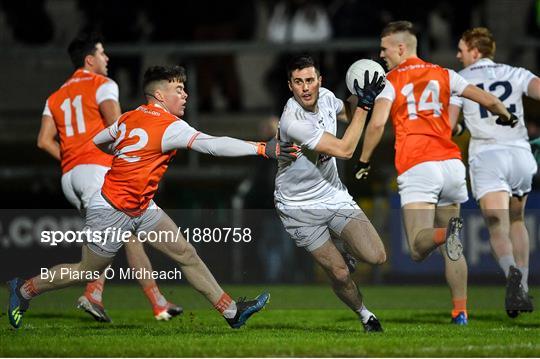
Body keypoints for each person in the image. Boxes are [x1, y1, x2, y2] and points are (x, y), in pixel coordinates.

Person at [7, 64, 297, 330]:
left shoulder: (130, 117)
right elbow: (212, 146)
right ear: (159, 94)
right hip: (111, 209)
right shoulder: (168, 125)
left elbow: (98, 141)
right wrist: (262, 148)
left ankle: (232, 312)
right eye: (178, 89)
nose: (185, 94)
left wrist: (122, 156)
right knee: (86, 271)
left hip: (141, 207)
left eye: (184, 88)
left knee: (186, 253)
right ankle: (23, 289)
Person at [355, 21, 518, 325]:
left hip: (419, 165)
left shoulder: (390, 80)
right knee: (451, 249)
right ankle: (460, 311)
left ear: (401, 48)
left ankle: (446, 234)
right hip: (452, 166)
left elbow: (376, 124)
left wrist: (363, 160)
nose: (381, 54)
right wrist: (507, 116)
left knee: (418, 246)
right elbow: (488, 99)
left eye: (384, 48)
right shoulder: (445, 73)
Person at [36, 33, 182, 322]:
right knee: (111, 243)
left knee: (125, 234)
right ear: (90, 59)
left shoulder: (55, 96)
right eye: (102, 53)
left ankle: (157, 302)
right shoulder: (103, 84)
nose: (107, 58)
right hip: (97, 171)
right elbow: (118, 129)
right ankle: (81, 293)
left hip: (70, 177)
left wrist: (69, 159)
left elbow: (43, 141)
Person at [274, 54, 387, 332]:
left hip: (332, 194)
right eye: (298, 82)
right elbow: (346, 150)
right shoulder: (292, 121)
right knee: (339, 273)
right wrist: (365, 104)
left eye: (310, 80)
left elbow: (348, 114)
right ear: (290, 86)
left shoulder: (325, 96)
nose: (306, 88)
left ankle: (342, 246)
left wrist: (358, 92)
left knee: (376, 257)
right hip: (298, 207)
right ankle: (364, 314)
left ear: (319, 80)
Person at [449, 27, 540, 317]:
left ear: (475, 51)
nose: (458, 55)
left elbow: (450, 125)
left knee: (497, 226)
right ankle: (522, 287)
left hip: (488, 155)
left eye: (462, 50)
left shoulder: (461, 80)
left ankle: (511, 271)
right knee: (517, 220)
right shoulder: (516, 72)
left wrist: (461, 127)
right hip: (520, 152)